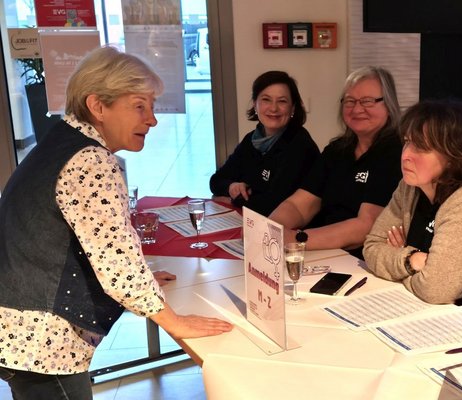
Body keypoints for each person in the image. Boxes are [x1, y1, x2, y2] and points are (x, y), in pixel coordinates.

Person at [0, 46, 233, 399]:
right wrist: (175, 323)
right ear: (98, 106)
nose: (152, 120)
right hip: (42, 340)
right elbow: (117, 262)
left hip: (20, 329)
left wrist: (143, 282)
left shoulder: (61, 143)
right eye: (139, 106)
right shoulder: (90, 160)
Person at [363, 99, 462, 310]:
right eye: (407, 142)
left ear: (455, 156)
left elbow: (435, 290)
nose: (406, 155)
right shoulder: (410, 187)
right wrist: (411, 259)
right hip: (422, 309)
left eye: (420, 148)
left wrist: (397, 263)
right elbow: (372, 247)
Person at [268, 66, 403, 258]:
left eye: (367, 101)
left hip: (360, 260)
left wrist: (297, 239)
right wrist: (270, 229)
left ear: (388, 104)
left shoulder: (397, 152)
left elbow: (366, 226)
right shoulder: (337, 150)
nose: (357, 109)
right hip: (322, 252)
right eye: (350, 101)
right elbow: (300, 205)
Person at [209, 70, 319, 216]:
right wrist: (232, 186)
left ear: (293, 108)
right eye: (266, 100)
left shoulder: (300, 145)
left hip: (287, 226)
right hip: (250, 220)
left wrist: (231, 201)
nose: (273, 108)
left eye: (282, 101)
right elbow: (216, 181)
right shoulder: (252, 139)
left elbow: (273, 204)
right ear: (255, 105)